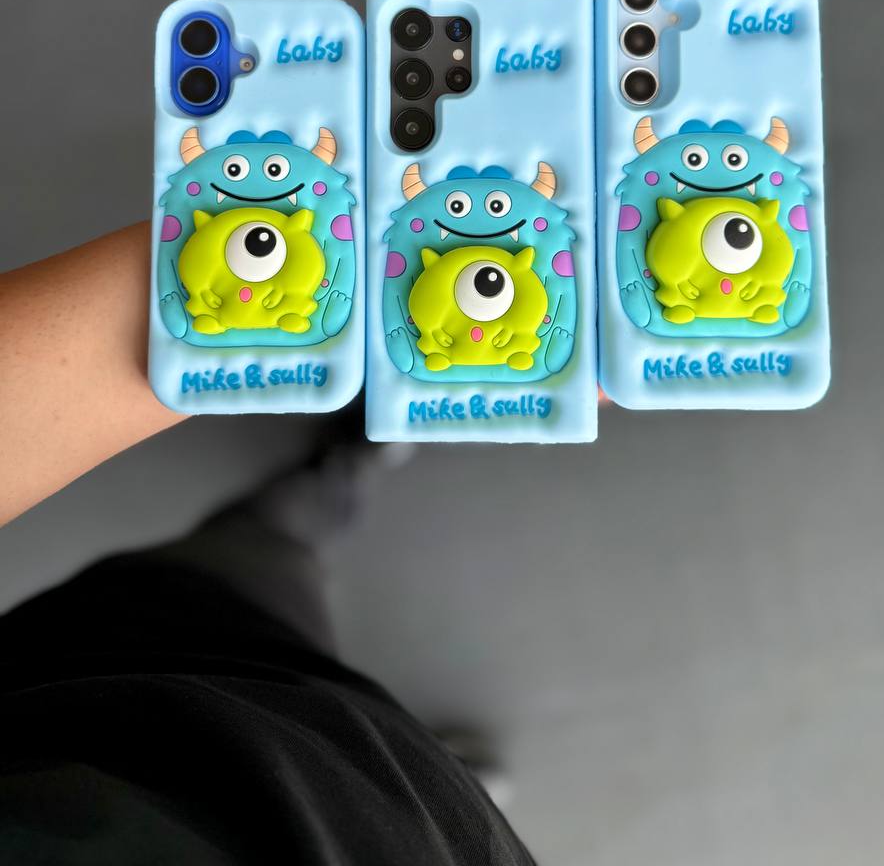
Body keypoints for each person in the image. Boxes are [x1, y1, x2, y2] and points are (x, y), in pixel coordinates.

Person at [0, 224, 535, 864]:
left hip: (132, 682)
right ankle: (430, 784)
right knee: (412, 788)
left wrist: (370, 280)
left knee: (263, 551)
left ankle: (341, 465)